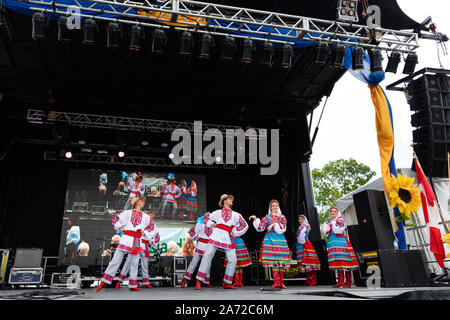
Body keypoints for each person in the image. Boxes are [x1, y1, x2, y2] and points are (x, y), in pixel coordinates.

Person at [96, 196, 155, 292]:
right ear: (137, 202)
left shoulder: (145, 217)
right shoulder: (127, 213)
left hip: (137, 240)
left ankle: (132, 284)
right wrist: (121, 227)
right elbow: (115, 218)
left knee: (134, 263)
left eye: (143, 201)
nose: (143, 203)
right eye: (141, 201)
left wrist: (145, 233)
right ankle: (105, 280)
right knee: (116, 260)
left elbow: (152, 226)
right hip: (126, 238)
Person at [195, 194, 248, 290]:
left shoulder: (236, 215)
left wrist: (235, 233)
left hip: (227, 238)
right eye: (229, 199)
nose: (231, 200)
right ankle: (199, 280)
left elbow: (245, 225)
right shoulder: (217, 212)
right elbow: (206, 218)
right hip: (216, 235)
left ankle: (227, 282)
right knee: (207, 256)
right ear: (224, 201)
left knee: (233, 260)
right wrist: (212, 224)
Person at [249, 199, 292, 289]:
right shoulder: (267, 217)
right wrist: (255, 219)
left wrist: (274, 225)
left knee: (280, 261)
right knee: (274, 261)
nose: (275, 207)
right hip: (270, 239)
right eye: (273, 206)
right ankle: (276, 282)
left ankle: (281, 283)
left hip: (280, 240)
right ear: (270, 208)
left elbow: (283, 228)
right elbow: (261, 227)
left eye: (276, 205)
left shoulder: (282, 217)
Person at [115, 213, 160, 289]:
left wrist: (151, 242)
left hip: (144, 246)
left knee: (144, 264)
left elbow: (156, 236)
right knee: (128, 262)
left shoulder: (153, 226)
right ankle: (119, 281)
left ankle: (146, 282)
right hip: (135, 244)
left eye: (151, 217)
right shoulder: (139, 223)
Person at [320, 206, 359, 288]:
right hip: (332, 242)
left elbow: (338, 231)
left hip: (341, 242)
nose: (333, 213)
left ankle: (348, 282)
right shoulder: (328, 221)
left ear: (337, 213)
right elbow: (326, 233)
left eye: (335, 211)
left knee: (345, 261)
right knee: (338, 261)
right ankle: (340, 282)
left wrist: (333, 223)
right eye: (331, 211)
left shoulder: (340, 220)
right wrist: (329, 224)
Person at [180, 213, 212, 288]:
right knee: (196, 263)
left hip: (208, 246)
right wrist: (196, 237)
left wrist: (195, 237)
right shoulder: (200, 224)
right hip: (202, 245)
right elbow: (193, 233)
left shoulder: (212, 225)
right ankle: (185, 280)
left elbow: (193, 234)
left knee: (206, 264)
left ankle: (205, 281)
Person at [296, 215, 321, 286]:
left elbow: (301, 236)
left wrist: (301, 242)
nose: (300, 220)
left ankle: (313, 280)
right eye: (299, 219)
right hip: (302, 244)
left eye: (301, 219)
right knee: (305, 262)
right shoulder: (301, 227)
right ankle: (308, 279)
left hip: (305, 244)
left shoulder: (304, 227)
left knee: (309, 261)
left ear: (304, 220)